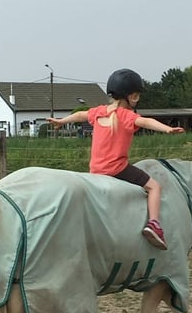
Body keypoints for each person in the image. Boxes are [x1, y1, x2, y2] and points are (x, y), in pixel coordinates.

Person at [47, 68, 184, 249]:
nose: (137, 100)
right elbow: (146, 122)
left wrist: (62, 121)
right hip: (117, 170)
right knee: (155, 187)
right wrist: (167, 129)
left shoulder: (98, 112)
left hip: (95, 171)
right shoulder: (127, 115)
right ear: (131, 96)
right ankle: (154, 225)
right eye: (137, 96)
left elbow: (80, 115)